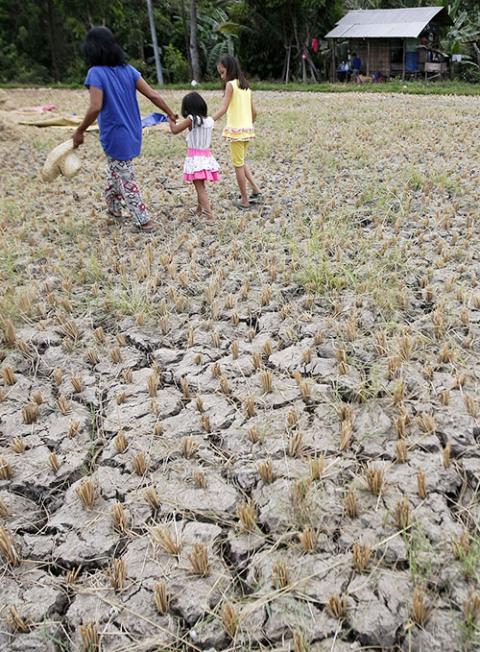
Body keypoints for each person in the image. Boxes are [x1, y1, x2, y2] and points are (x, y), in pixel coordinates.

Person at [72, 26, 176, 233]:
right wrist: (170, 112)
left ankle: (143, 220)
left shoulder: (95, 73)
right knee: (116, 170)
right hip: (133, 131)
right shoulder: (128, 70)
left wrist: (80, 130)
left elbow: (95, 106)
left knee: (125, 177)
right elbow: (153, 95)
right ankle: (113, 208)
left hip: (115, 135)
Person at [212, 54, 260, 210]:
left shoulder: (230, 85)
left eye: (222, 72)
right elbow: (254, 112)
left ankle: (245, 200)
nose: (221, 76)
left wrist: (209, 121)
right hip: (247, 131)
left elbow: (223, 108)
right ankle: (255, 189)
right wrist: (248, 124)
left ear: (229, 69)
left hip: (236, 132)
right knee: (242, 161)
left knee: (238, 165)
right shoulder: (246, 87)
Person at [168, 92, 219, 220]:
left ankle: (209, 215)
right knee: (200, 185)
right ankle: (199, 209)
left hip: (195, 158)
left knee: (199, 187)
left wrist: (170, 119)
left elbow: (175, 130)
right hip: (206, 157)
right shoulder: (209, 121)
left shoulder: (192, 119)